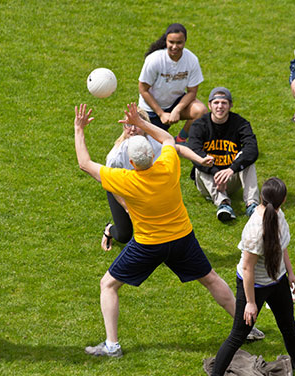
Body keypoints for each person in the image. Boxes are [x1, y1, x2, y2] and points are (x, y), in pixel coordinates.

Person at [73, 103, 264, 358]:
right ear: (153, 156)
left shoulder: (125, 179)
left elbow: (84, 163)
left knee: (108, 285)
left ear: (130, 162)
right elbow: (167, 138)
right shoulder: (168, 164)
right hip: (183, 238)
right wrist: (141, 123)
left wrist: (79, 129)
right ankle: (247, 329)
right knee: (211, 279)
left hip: (148, 245)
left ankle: (112, 346)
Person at [204, 177, 295, 376]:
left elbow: (282, 247)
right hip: (253, 285)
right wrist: (251, 302)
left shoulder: (278, 216)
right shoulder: (255, 229)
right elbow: (246, 268)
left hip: (278, 281)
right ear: (283, 199)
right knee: (239, 334)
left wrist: (290, 273)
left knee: (288, 326)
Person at [102, 107, 214, 251]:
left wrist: (200, 160)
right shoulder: (116, 155)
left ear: (145, 125)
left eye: (136, 124)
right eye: (128, 125)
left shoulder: (153, 142)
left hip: (145, 188)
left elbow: (177, 149)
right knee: (124, 235)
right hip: (121, 190)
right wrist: (127, 207)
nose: (132, 130)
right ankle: (109, 230)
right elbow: (112, 186)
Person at [188, 87, 259, 222]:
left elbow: (252, 149)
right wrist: (216, 174)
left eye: (224, 103)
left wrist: (231, 170)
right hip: (208, 182)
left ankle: (252, 204)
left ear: (230, 105)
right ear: (209, 105)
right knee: (201, 161)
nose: (220, 106)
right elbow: (194, 152)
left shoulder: (240, 124)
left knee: (247, 159)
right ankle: (224, 204)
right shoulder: (199, 125)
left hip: (231, 178)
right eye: (216, 103)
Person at [138, 23, 208, 143]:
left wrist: (177, 110)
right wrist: (161, 114)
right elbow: (143, 89)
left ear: (185, 41)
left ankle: (181, 139)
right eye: (171, 42)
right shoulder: (154, 60)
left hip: (175, 103)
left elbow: (192, 92)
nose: (175, 46)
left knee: (200, 111)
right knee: (153, 146)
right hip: (151, 109)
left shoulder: (191, 60)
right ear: (166, 41)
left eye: (179, 43)